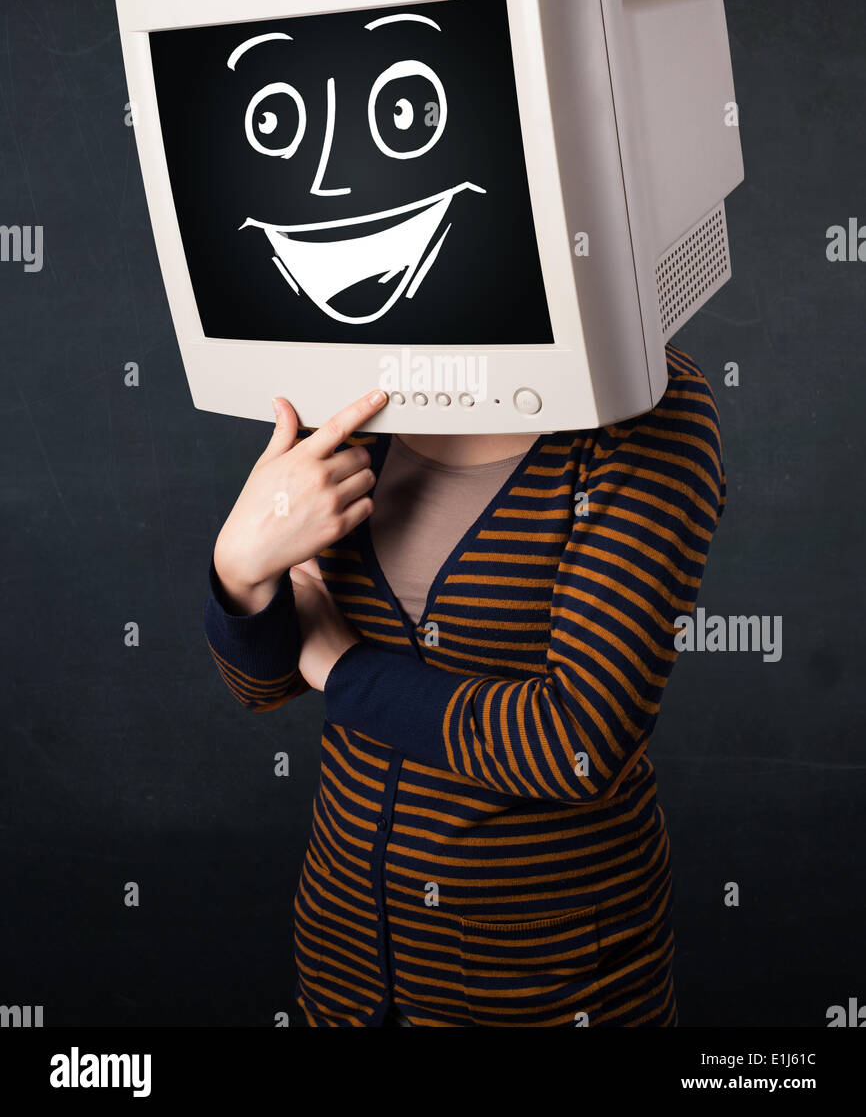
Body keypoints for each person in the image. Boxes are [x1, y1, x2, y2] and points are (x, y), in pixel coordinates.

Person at [205, 342, 726, 1027]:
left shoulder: (645, 401)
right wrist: (239, 569)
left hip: (545, 984)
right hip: (344, 965)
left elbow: (579, 742)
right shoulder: (348, 378)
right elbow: (263, 684)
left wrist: (343, 666)